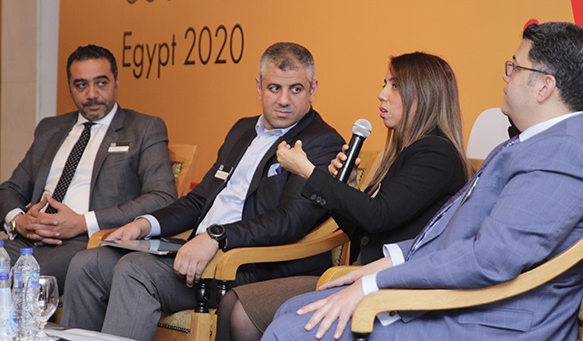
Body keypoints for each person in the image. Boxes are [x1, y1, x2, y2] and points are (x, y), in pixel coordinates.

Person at [262, 22, 583, 341]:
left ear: (544, 86)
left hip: (488, 321)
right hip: (466, 304)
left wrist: (374, 284)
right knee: (292, 311)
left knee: (290, 331)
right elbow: (458, 234)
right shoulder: (542, 145)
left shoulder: (564, 154)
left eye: (515, 66)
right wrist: (391, 262)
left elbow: (489, 258)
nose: (505, 75)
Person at [60, 42, 345, 341]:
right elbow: (199, 201)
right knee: (87, 264)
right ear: (259, 87)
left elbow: (289, 220)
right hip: (198, 251)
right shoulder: (242, 129)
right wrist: (145, 224)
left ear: (312, 89)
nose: (284, 100)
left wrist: (217, 237)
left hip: (249, 264)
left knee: (135, 271)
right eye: (275, 88)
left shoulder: (321, 142)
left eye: (296, 89)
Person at [216, 51, 471, 341]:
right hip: (360, 274)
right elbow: (364, 232)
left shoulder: (435, 154)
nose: (381, 94)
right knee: (232, 302)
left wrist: (309, 172)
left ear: (422, 95)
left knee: (251, 313)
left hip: (392, 287)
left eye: (395, 86)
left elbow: (377, 216)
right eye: (384, 84)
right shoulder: (406, 153)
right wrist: (347, 187)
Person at [0, 44, 177, 293]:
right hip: (29, 240)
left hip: (87, 242)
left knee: (22, 281)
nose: (92, 94)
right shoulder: (50, 129)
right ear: (70, 87)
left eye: (101, 83)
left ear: (116, 81)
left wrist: (83, 222)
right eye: (81, 85)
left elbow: (162, 197)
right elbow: (9, 189)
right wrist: (19, 222)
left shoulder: (143, 128)